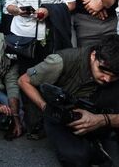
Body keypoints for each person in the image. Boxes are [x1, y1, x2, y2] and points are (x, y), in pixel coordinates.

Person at [5, 0, 76, 139]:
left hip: (49, 37)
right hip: (23, 39)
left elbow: (71, 4)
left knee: (51, 79)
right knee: (26, 78)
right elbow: (8, 5)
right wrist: (18, 10)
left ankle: (53, 121)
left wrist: (48, 10)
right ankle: (34, 123)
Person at [18, 35, 119, 166]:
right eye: (103, 71)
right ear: (94, 55)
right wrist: (44, 107)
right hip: (61, 111)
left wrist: (102, 119)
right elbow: (23, 81)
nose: (107, 79)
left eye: (114, 76)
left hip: (98, 108)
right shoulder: (59, 62)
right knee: (77, 157)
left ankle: (100, 137)